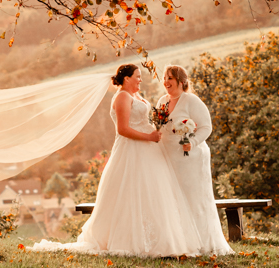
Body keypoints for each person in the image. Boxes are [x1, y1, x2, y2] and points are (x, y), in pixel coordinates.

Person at [33, 64, 205, 257]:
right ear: (126, 79)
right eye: (137, 76)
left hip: (149, 151)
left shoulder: (135, 96)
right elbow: (123, 129)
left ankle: (159, 240)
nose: (141, 79)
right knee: (131, 192)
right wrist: (149, 137)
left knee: (152, 193)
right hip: (132, 150)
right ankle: (131, 240)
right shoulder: (122, 96)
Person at [155, 64, 233, 256]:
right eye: (164, 78)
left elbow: (206, 127)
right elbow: (158, 126)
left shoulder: (191, 101)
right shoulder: (162, 102)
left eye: (170, 79)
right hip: (167, 158)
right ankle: (178, 243)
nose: (166, 82)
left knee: (193, 199)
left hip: (190, 159)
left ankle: (202, 244)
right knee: (172, 199)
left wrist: (193, 141)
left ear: (181, 81)